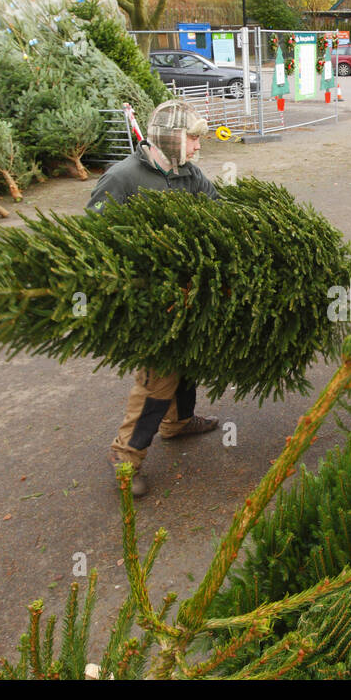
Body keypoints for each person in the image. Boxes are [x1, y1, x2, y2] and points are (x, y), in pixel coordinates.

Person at [87, 100, 221, 498]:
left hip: (184, 298)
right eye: (193, 138)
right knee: (157, 378)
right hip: (146, 305)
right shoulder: (123, 178)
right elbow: (93, 240)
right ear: (169, 136)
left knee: (187, 360)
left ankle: (177, 423)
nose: (198, 147)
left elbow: (219, 216)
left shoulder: (188, 175)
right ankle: (125, 457)